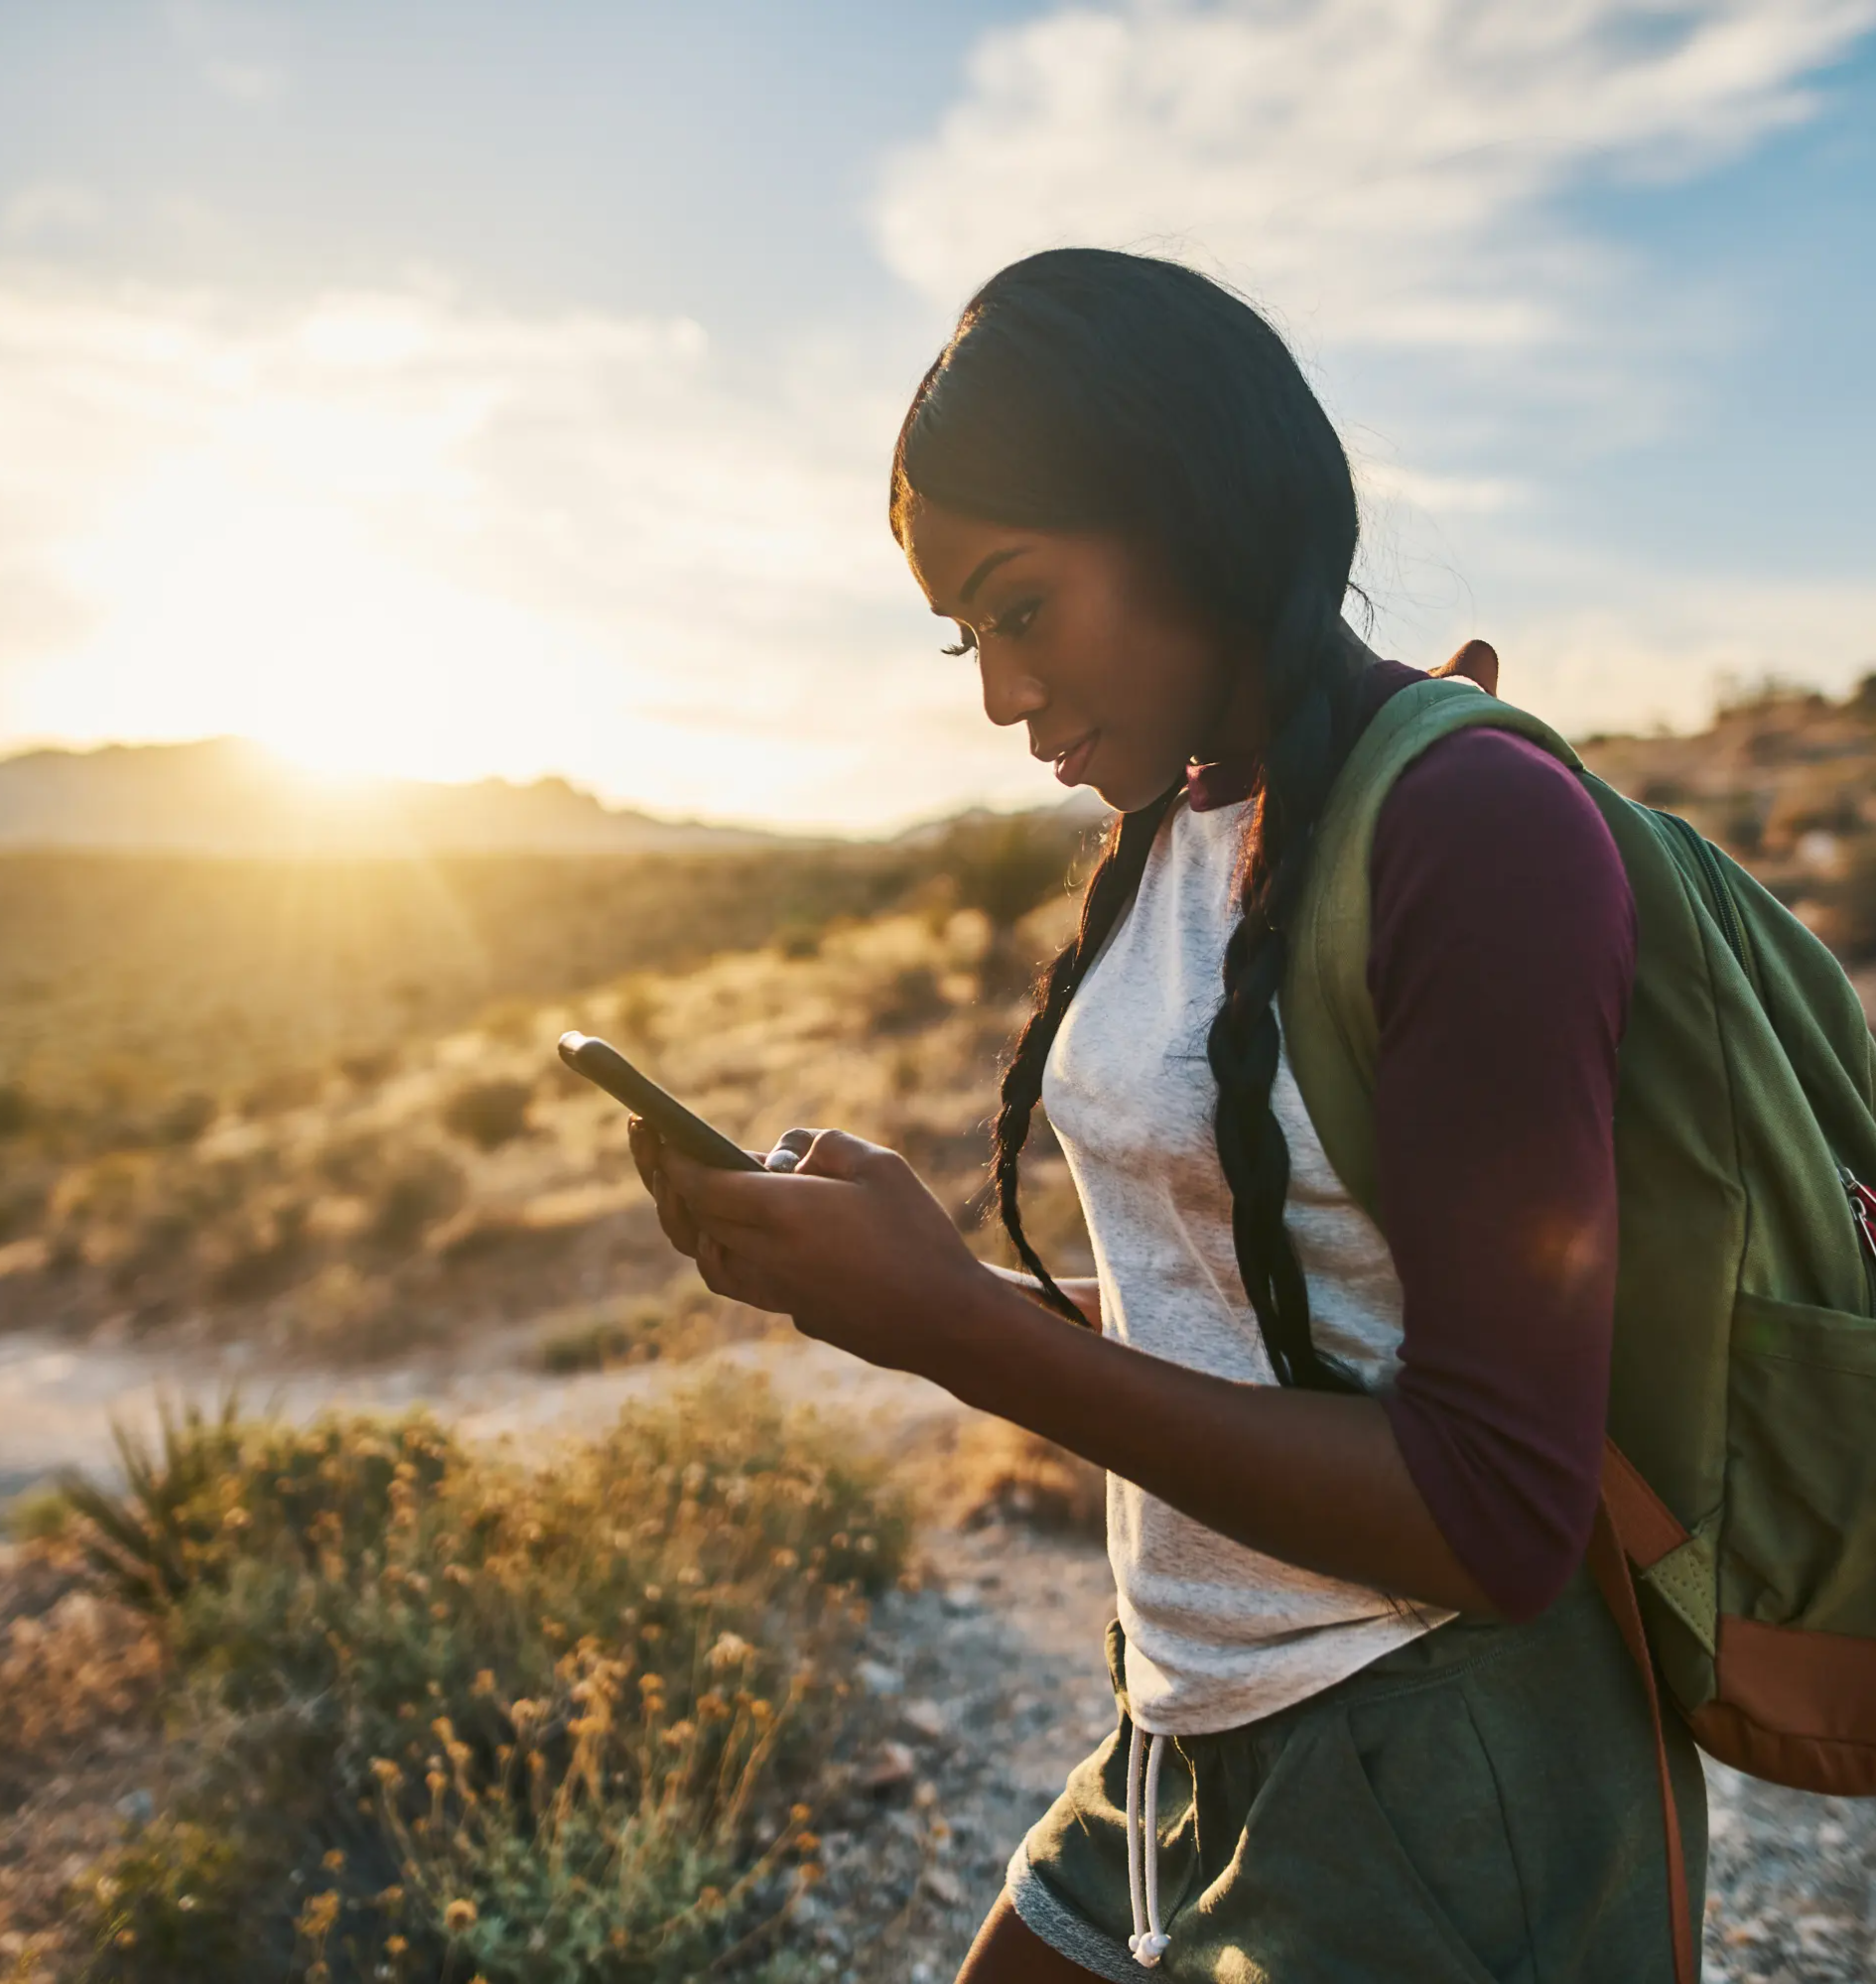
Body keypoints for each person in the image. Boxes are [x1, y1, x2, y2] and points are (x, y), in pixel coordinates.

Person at [628, 247, 1703, 1984]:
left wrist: (952, 1325)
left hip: (1434, 1778)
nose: (995, 691)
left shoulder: (1471, 828)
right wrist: (869, 1248)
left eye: (1023, 606)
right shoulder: (1177, 822)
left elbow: (1501, 1517)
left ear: (1189, 513)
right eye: (965, 634)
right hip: (1186, 1733)